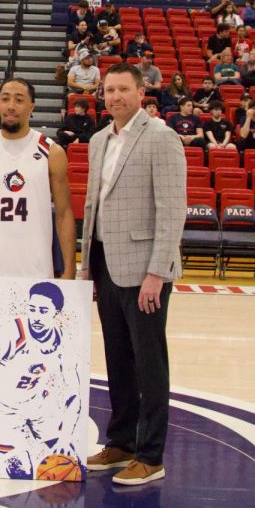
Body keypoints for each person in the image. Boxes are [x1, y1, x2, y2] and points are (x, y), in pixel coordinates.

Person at [80, 63, 186, 486]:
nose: (115, 97)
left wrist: (157, 273)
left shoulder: (162, 137)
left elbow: (172, 210)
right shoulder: (98, 139)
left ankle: (151, 454)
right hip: (106, 263)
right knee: (118, 361)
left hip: (145, 271)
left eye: (123, 89)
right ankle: (121, 442)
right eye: (109, 90)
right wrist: (88, 264)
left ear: (141, 92)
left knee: (149, 363)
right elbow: (93, 205)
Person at [0, 281, 82, 480]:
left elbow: (74, 394)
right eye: (32, 309)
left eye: (43, 311)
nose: (36, 316)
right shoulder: (12, 333)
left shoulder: (62, 342)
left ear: (56, 313)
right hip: (1, 407)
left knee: (72, 465)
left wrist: (66, 438)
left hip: (37, 403)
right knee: (22, 471)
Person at [0, 77, 76, 280]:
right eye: (5, 99)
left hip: (37, 269)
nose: (11, 106)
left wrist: (70, 268)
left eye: (19, 100)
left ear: (31, 107)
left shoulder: (51, 152)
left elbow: (64, 214)